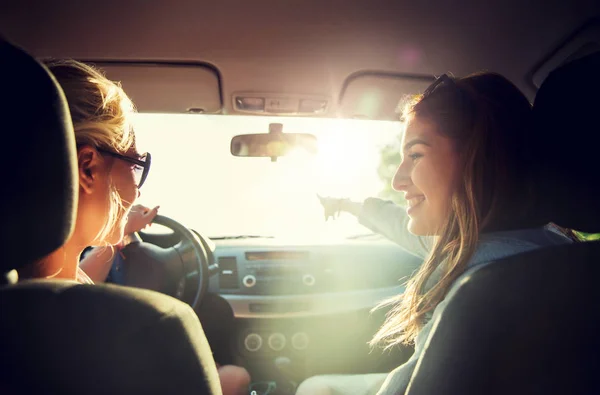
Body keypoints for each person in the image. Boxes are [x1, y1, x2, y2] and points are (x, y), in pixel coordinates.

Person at [298, 72, 577, 395]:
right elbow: (397, 224)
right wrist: (347, 205)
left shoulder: (470, 283)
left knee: (314, 387)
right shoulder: (563, 253)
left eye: (415, 155)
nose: (398, 180)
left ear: (479, 161)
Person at [17, 59, 251, 395]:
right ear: (87, 169)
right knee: (237, 377)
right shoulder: (155, 328)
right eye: (136, 164)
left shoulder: (29, 296)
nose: (138, 188)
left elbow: (71, 284)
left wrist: (119, 233)